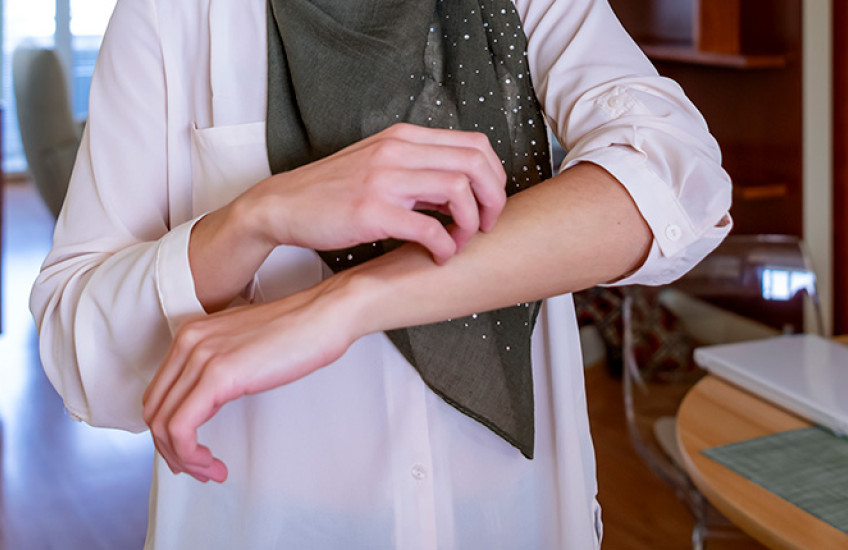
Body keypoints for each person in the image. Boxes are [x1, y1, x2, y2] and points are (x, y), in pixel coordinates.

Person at [30, 0, 732, 548]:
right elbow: (77, 352)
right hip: (274, 529)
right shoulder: (171, 15)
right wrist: (254, 218)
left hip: (515, 519)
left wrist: (345, 302)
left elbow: (679, 179)